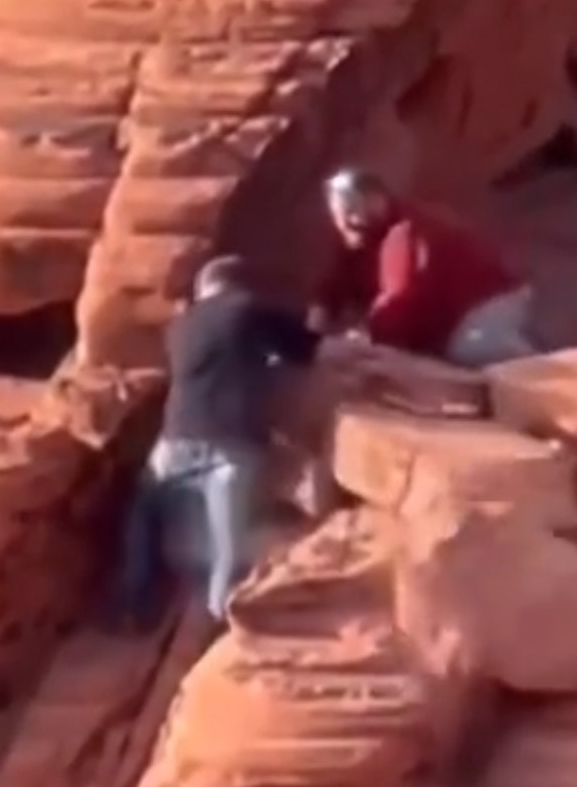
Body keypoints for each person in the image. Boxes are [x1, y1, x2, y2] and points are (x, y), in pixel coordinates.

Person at [114, 254, 320, 630]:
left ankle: (135, 598)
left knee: (144, 508)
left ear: (202, 290)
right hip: (234, 444)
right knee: (226, 546)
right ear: (237, 285)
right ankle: (217, 620)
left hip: (176, 440)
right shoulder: (249, 309)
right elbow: (305, 350)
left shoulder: (179, 327)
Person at [315, 168, 535, 369]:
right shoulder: (362, 238)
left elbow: (399, 296)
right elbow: (340, 278)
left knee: (472, 351)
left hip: (485, 300)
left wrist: (368, 337)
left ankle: (548, 379)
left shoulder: (405, 232)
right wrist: (321, 311)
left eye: (349, 211)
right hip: (456, 313)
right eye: (341, 213)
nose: (345, 220)